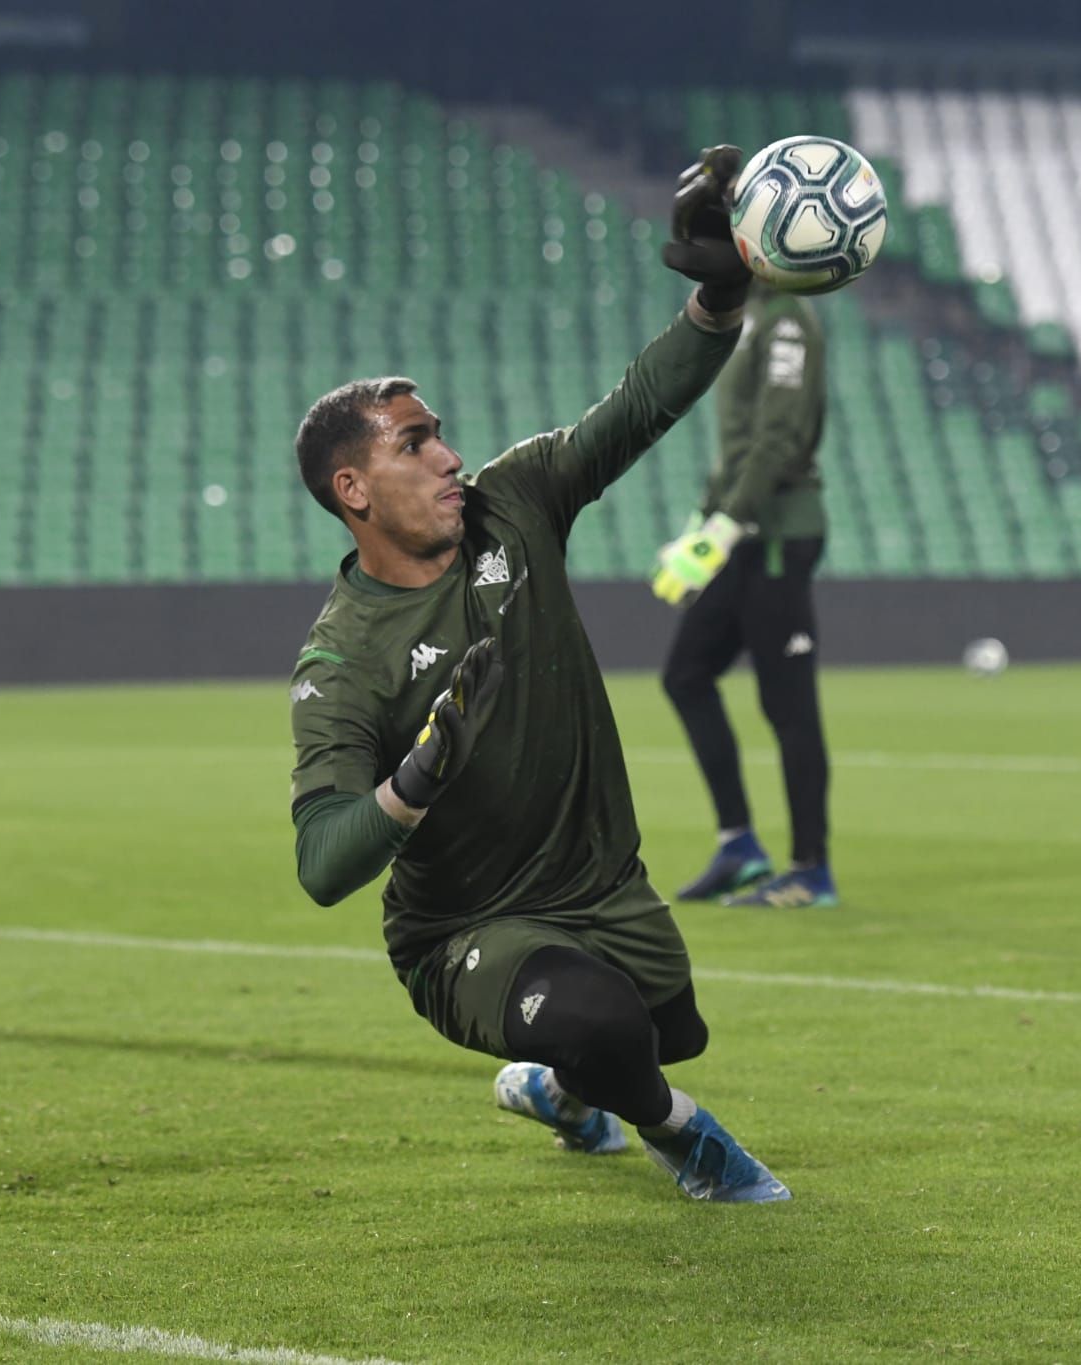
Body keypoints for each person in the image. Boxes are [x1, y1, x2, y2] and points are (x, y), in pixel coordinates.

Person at [285, 148, 789, 1203]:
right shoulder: (342, 661)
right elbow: (324, 863)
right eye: (414, 445)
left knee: (657, 1031)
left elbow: (637, 408)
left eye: (440, 435)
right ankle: (683, 1140)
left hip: (600, 890)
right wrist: (413, 779)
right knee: (607, 1034)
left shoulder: (513, 503)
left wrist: (719, 291)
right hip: (463, 931)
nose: (447, 457)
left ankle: (563, 1094)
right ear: (353, 490)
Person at [650, 285, 837, 909]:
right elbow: (736, 449)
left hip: (779, 535)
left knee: (787, 706)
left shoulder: (787, 323)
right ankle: (740, 846)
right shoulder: (751, 319)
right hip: (741, 536)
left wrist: (721, 531)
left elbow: (778, 439)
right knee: (685, 676)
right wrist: (698, 529)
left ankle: (811, 871)